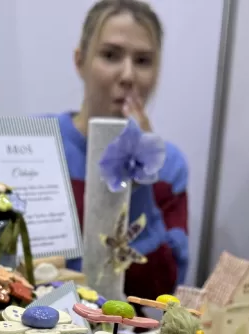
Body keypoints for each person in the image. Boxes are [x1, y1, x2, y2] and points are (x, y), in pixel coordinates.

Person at [56, 0, 188, 300]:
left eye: (142, 61)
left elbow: (162, 290)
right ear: (80, 61)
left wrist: (138, 177)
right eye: (110, 55)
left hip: (126, 325)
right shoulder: (41, 144)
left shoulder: (168, 167)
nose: (128, 75)